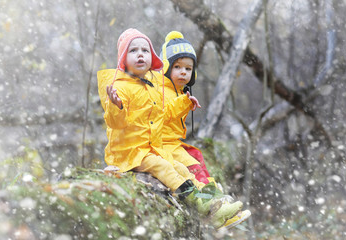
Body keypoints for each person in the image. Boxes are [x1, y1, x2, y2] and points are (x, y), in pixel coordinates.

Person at [97, 28, 242, 229]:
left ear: (152, 57)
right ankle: (200, 205)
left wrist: (184, 103)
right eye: (133, 51)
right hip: (129, 152)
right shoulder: (119, 88)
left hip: (150, 147)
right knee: (164, 167)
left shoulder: (151, 86)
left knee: (182, 168)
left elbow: (162, 116)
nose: (140, 54)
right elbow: (115, 123)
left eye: (145, 51)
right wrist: (116, 105)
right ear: (123, 58)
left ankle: (212, 207)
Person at [159, 31, 251, 229]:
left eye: (188, 68)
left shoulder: (180, 91)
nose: (183, 72)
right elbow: (162, 116)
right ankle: (210, 208)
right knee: (188, 170)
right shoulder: (159, 90)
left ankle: (219, 204)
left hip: (173, 144)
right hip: (161, 146)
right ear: (165, 67)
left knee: (197, 160)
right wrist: (183, 103)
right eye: (177, 67)